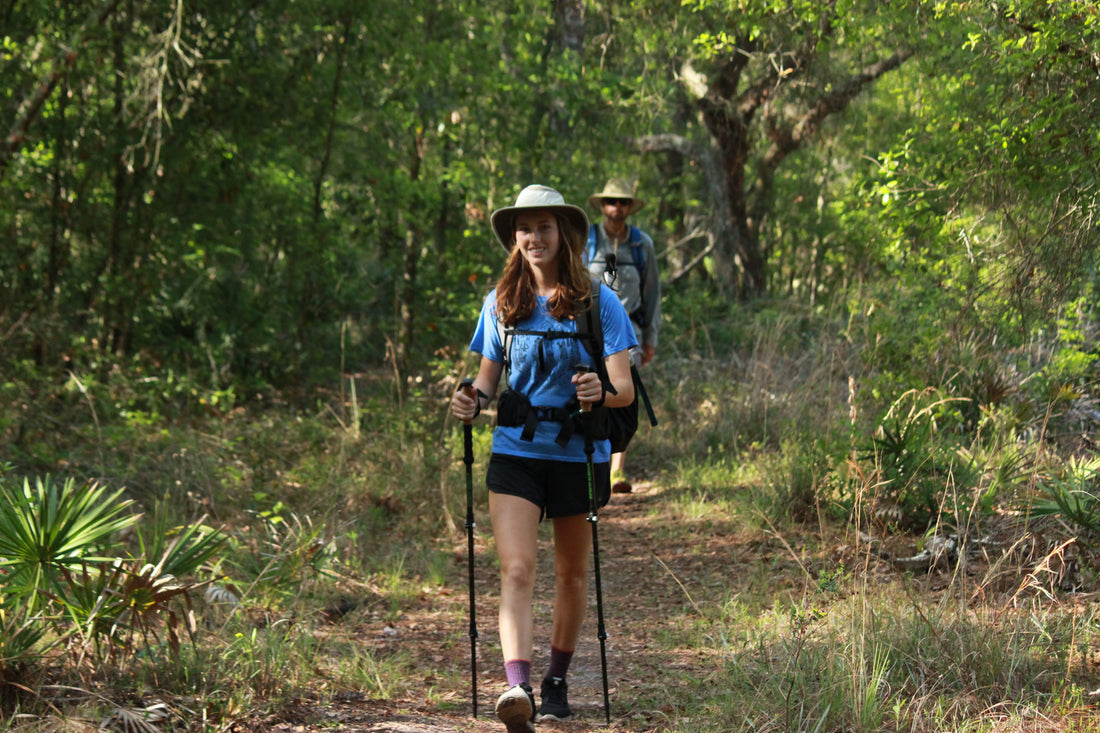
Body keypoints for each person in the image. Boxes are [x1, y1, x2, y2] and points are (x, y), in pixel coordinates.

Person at [451, 184, 636, 732]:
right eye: (524, 228)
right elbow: (486, 381)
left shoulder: (599, 302)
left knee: (571, 574)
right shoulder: (500, 303)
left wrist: (597, 392)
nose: (534, 237)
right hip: (516, 452)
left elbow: (623, 388)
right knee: (516, 568)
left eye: (544, 227)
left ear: (564, 235)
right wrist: (471, 399)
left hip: (579, 451)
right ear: (515, 237)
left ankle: (556, 679)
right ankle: (518, 686)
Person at [585, 178, 661, 494]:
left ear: (631, 207)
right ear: (603, 205)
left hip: (627, 334)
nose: (617, 208)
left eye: (623, 202)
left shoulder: (643, 246)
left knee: (621, 395)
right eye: (612, 202)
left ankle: (617, 470)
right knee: (590, 395)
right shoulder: (586, 241)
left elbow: (652, 293)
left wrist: (650, 339)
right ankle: (591, 463)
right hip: (588, 333)